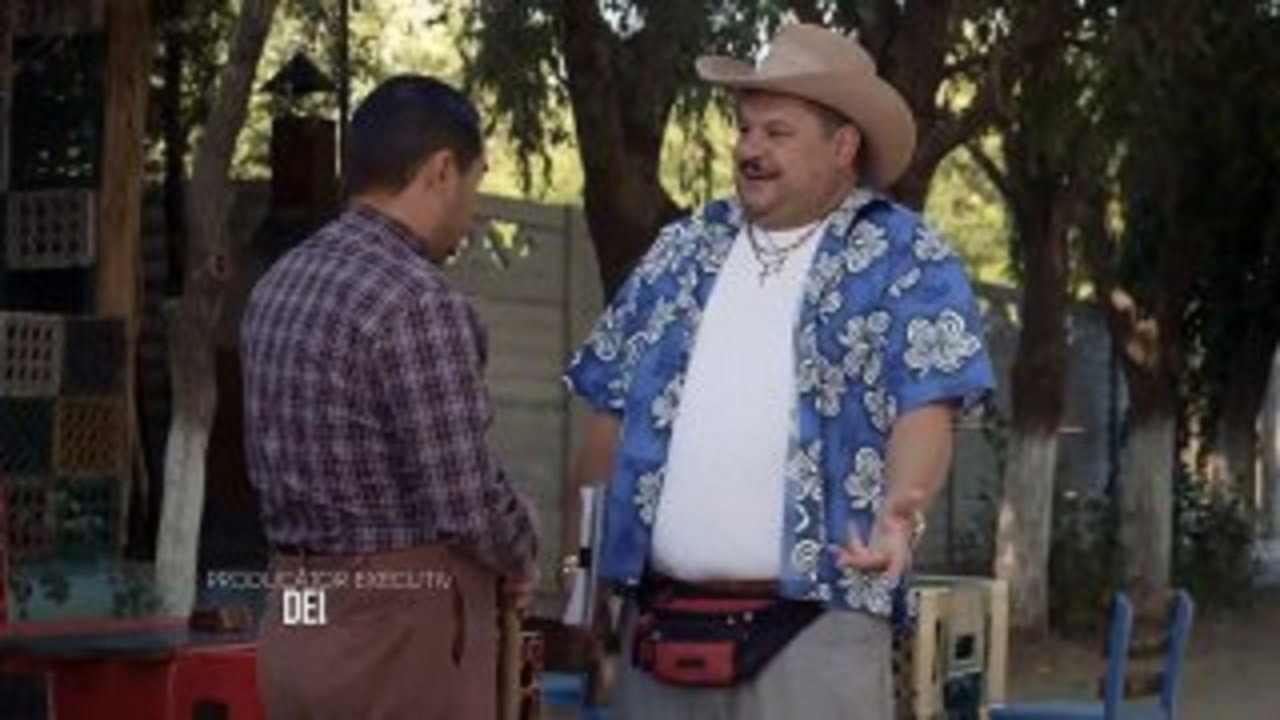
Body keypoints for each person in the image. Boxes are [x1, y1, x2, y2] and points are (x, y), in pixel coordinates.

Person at [564, 24, 996, 720]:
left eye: (777, 132)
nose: (749, 149)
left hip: (817, 632)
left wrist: (901, 508)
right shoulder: (681, 250)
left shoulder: (905, 254)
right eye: (744, 129)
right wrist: (582, 584)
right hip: (658, 627)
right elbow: (607, 421)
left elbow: (928, 406)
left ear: (843, 145)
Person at [241, 75, 538, 720]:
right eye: (475, 183)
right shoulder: (417, 302)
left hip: (294, 613)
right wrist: (523, 547)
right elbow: (465, 504)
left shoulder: (277, 287)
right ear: (441, 171)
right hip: (392, 635)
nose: (472, 210)